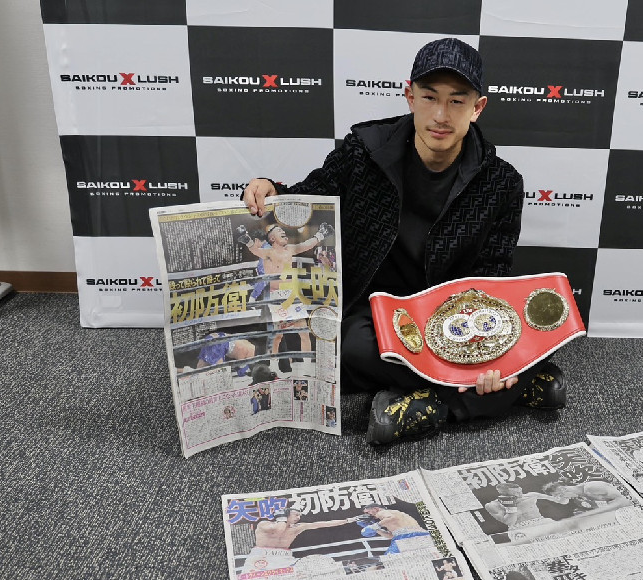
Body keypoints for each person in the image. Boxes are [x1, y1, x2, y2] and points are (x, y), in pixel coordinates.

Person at [242, 38, 566, 446]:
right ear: (410, 96)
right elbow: (312, 198)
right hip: (376, 315)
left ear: (477, 108)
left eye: (457, 101)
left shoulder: (502, 182)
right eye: (429, 97)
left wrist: (486, 347)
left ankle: (432, 406)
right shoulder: (364, 152)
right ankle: (514, 387)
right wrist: (271, 189)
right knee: (346, 348)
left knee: (540, 334)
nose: (441, 115)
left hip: (451, 319)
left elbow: (492, 277)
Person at [241, 506, 359, 574]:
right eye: (296, 515)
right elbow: (279, 530)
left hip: (283, 557)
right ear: (286, 514)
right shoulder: (264, 524)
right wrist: (282, 518)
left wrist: (348, 520)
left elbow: (323, 524)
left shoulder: (298, 527)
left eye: (299, 515)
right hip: (260, 557)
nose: (298, 517)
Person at [357, 504, 433, 555]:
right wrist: (376, 530)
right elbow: (391, 536)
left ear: (376, 509)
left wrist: (374, 526)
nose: (368, 515)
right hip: (425, 536)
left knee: (387, 562)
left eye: (368, 512)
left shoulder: (381, 512)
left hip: (406, 537)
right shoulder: (396, 514)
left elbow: (392, 518)